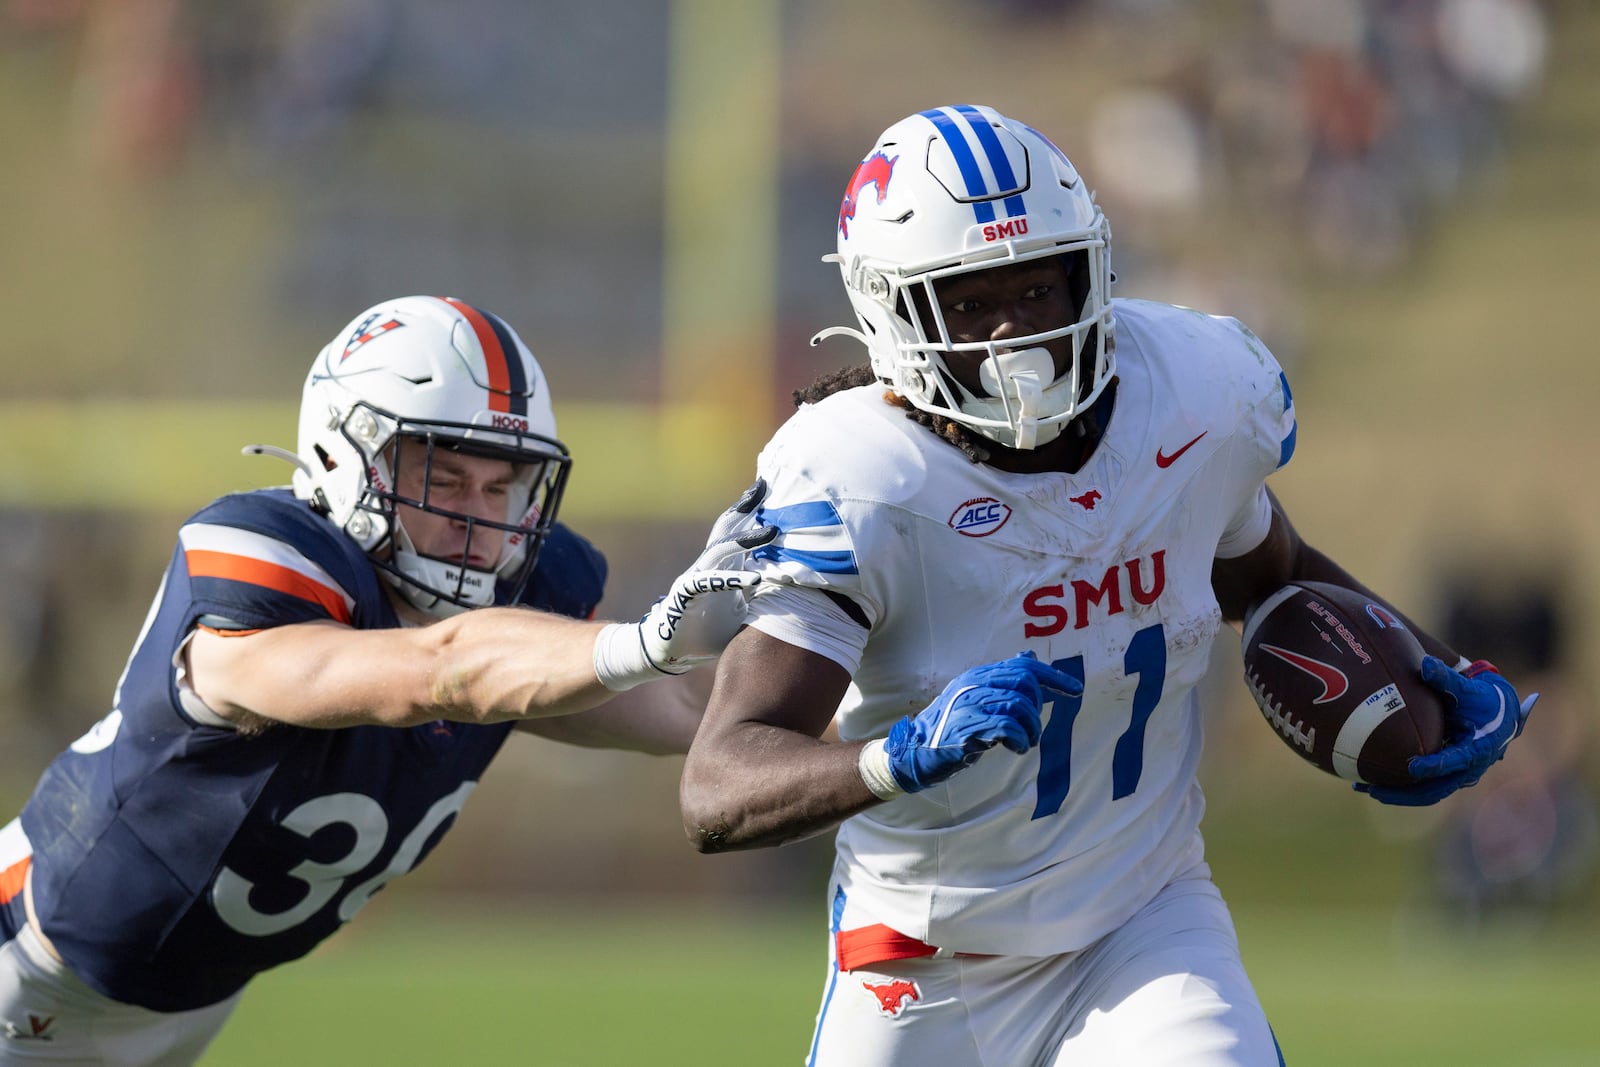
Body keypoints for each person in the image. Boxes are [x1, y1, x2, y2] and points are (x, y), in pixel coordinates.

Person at [678, 104, 1536, 1066]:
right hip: (922, 953)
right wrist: (899, 756)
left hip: (1143, 921)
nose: (1017, 333)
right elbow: (719, 784)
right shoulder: (860, 478)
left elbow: (1278, 573)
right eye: (969, 303)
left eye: (1039, 285)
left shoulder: (1194, 393)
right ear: (890, 312)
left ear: (1088, 268)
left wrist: (1437, 671)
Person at [0, 294, 768, 1064]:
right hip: (26, 963)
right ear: (345, 455)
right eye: (445, 479)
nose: (478, 519)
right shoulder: (266, 569)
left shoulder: (519, 601)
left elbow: (688, 704)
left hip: (186, 999)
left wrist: (861, 719)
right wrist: (660, 631)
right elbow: (439, 671)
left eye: (502, 487)